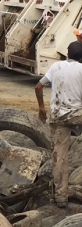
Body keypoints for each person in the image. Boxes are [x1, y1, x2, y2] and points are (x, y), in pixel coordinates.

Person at [35, 41, 82, 209]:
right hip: (78, 115)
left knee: (60, 156)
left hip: (58, 117)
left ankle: (61, 197)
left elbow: (38, 86)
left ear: (67, 53)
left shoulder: (56, 67)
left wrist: (41, 108)